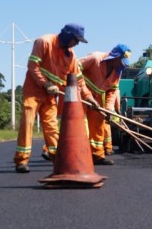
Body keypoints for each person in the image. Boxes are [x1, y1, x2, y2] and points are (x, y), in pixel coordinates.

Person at [13, 23, 98, 173]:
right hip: (34, 90)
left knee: (51, 127)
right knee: (28, 122)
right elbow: (33, 65)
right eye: (76, 40)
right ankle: (22, 160)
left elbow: (79, 81)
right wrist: (45, 84)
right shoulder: (44, 41)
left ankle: (58, 159)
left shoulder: (71, 56)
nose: (77, 44)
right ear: (68, 35)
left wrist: (89, 97)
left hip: (51, 95)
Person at [79, 44, 132, 165]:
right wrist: (86, 93)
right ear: (115, 57)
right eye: (121, 61)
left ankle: (97, 155)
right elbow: (74, 68)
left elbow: (112, 91)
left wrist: (109, 109)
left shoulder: (117, 72)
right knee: (78, 124)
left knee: (98, 125)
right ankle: (58, 151)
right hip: (80, 94)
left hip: (97, 98)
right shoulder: (95, 58)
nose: (122, 65)